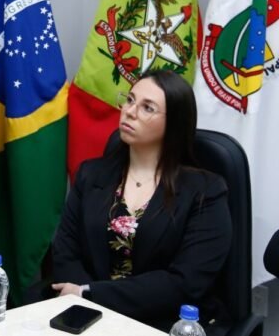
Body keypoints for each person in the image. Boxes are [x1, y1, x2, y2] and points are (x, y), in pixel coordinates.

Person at [51, 70, 232, 334]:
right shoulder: (92, 175)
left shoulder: (206, 192)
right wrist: (82, 301)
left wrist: (90, 294)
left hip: (163, 323)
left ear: (174, 124)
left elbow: (184, 283)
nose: (130, 112)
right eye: (130, 100)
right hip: (85, 319)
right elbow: (65, 253)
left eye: (147, 108)